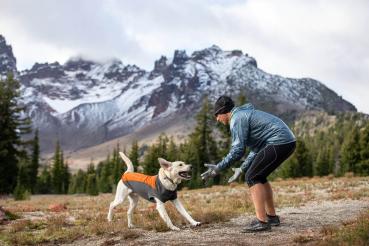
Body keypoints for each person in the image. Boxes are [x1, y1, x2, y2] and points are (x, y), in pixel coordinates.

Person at [201, 95, 296, 232]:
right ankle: (271, 218)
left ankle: (262, 222)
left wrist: (218, 167)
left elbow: (237, 150)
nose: (217, 119)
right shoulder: (244, 115)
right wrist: (242, 168)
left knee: (252, 177)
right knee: (260, 177)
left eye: (217, 115)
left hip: (278, 142)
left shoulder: (237, 119)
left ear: (224, 111)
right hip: (287, 142)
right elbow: (256, 149)